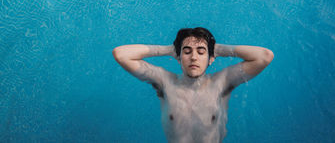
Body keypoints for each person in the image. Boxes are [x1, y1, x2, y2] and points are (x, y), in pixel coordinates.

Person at [112, 27, 274, 143]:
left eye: (201, 52)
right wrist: (169, 49)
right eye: (187, 51)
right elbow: (121, 54)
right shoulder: (164, 82)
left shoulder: (222, 82)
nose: (194, 57)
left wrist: (218, 49)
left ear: (211, 58)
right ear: (179, 57)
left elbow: (264, 56)